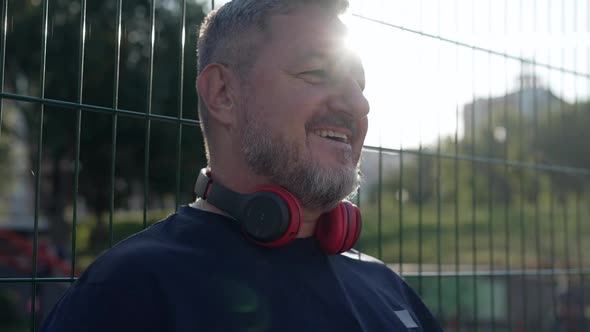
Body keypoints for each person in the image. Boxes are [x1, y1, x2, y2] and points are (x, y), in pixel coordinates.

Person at [42, 0, 442, 331]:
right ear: (223, 94)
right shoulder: (128, 293)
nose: (358, 104)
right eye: (317, 73)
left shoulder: (389, 287)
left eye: (359, 85)